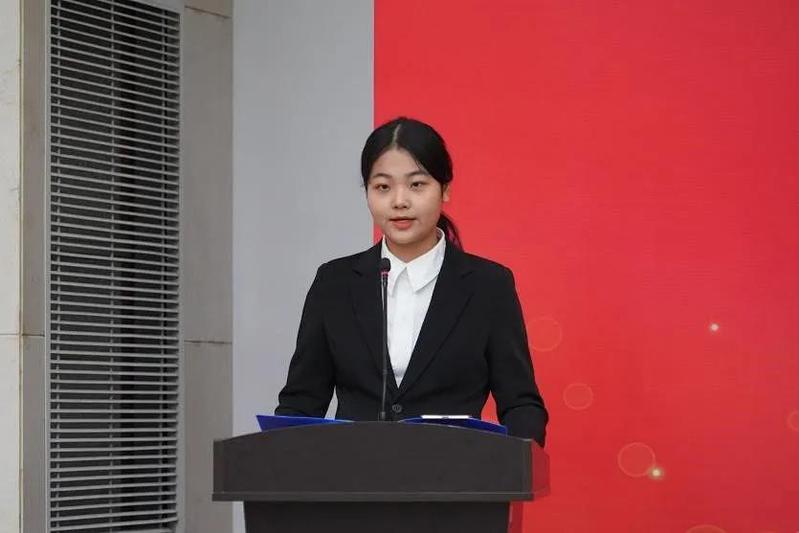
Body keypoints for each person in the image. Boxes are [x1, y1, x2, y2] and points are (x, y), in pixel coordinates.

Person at [275, 117, 548, 445]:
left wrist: (513, 459)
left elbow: (520, 405)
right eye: (383, 187)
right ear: (367, 192)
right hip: (354, 471)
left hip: (457, 471)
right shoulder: (334, 283)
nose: (399, 201)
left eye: (417, 185)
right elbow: (301, 402)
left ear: (445, 189)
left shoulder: (488, 286)